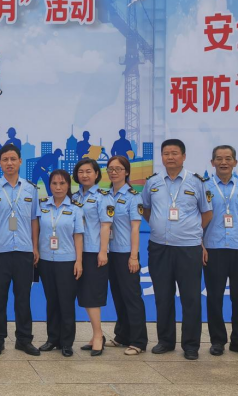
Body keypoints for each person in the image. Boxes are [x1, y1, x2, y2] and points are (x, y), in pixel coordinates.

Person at [142, 139, 213, 361]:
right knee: (162, 296)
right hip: (159, 247)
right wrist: (159, 226)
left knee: (191, 298)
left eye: (174, 153)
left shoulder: (197, 182)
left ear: (183, 156)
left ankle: (191, 345)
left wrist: (191, 232)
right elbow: (146, 210)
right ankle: (165, 341)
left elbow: (207, 213)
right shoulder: (152, 182)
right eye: (166, 153)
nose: (170, 157)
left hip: (188, 248)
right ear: (161, 157)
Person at [0, 144, 40, 357]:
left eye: (13, 159)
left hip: (24, 250)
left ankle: (24, 340)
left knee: (23, 298)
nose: (9, 163)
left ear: (20, 161)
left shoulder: (31, 189)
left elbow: (34, 220)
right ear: (0, 163)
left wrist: (35, 247)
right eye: (5, 159)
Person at [38, 170, 84, 358]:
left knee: (66, 302)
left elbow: (78, 236)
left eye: (62, 183)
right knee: (52, 301)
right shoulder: (42, 206)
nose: (58, 187)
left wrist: (79, 261)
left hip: (67, 261)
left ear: (68, 186)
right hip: (45, 260)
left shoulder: (75, 209)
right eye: (54, 184)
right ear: (49, 185)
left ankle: (66, 342)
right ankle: (52, 339)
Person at [107, 156, 148, 355]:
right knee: (118, 295)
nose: (114, 172)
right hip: (109, 252)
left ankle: (138, 341)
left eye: (118, 169)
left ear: (127, 172)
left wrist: (133, 256)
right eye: (110, 169)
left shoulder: (133, 197)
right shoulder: (105, 195)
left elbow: (135, 229)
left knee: (132, 297)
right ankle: (122, 335)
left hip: (126, 253)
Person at [72, 158, 114, 356]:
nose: (84, 175)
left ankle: (98, 335)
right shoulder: (73, 197)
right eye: (81, 172)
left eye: (89, 171)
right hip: (75, 252)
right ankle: (95, 334)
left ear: (97, 174)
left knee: (92, 295)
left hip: (93, 251)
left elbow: (106, 225)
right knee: (84, 295)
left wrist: (103, 251)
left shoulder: (103, 197)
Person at [203, 145, 238, 356]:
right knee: (214, 297)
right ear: (212, 162)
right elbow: (196, 218)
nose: (223, 162)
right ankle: (217, 341)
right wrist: (200, 244)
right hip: (213, 248)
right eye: (219, 158)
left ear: (235, 162)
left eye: (228, 158)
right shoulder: (204, 187)